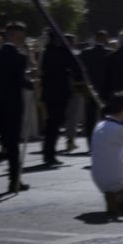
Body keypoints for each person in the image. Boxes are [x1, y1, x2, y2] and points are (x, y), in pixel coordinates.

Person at [0, 23, 31, 194]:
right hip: (11, 106)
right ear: (12, 37)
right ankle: (14, 180)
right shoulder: (19, 57)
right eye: (21, 38)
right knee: (12, 144)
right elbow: (18, 80)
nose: (22, 41)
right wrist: (31, 83)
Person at [39, 31, 75, 166]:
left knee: (52, 123)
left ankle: (48, 151)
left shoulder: (46, 52)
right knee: (55, 123)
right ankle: (49, 153)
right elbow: (72, 65)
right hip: (59, 92)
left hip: (49, 93)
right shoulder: (61, 52)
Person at [78, 31, 112, 137]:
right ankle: (104, 137)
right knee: (105, 115)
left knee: (90, 115)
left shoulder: (86, 53)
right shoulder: (109, 52)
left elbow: (81, 69)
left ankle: (90, 139)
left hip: (90, 86)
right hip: (105, 87)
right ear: (105, 38)